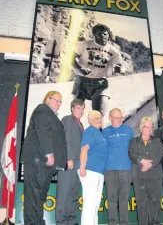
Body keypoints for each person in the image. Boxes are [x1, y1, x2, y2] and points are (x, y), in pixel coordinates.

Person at [21, 91, 67, 225]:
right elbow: (42, 132)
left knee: (40, 196)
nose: (58, 103)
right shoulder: (42, 110)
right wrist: (49, 153)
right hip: (39, 160)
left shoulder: (51, 115)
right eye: (55, 100)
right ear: (47, 99)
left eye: (60, 101)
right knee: (33, 196)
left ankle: (38, 222)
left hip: (44, 163)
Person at [72, 24, 122, 117]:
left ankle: (96, 131)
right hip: (82, 80)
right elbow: (71, 58)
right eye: (99, 34)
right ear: (94, 35)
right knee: (76, 113)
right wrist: (79, 68)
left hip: (100, 83)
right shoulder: (85, 44)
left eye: (105, 34)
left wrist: (117, 69)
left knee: (98, 115)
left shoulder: (114, 51)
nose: (103, 36)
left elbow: (118, 66)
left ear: (109, 35)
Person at [129, 117, 163, 225]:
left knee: (155, 201)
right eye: (146, 126)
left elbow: (160, 154)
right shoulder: (134, 141)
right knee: (141, 203)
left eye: (150, 127)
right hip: (139, 176)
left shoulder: (157, 141)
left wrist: (150, 165)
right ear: (141, 128)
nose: (149, 129)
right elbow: (132, 154)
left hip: (155, 176)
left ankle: (155, 222)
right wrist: (141, 161)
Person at [102, 108, 134, 225]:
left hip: (126, 170)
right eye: (116, 118)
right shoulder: (104, 132)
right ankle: (112, 222)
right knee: (111, 199)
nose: (118, 120)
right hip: (109, 171)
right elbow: (101, 151)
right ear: (110, 118)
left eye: (120, 117)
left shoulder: (128, 130)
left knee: (124, 199)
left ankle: (124, 222)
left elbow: (133, 149)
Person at [56, 99, 85, 225]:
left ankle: (71, 221)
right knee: (64, 194)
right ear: (72, 108)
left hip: (77, 164)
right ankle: (61, 222)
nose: (81, 111)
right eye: (78, 108)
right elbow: (65, 140)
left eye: (82, 108)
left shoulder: (80, 124)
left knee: (73, 193)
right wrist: (68, 159)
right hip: (69, 163)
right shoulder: (68, 119)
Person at [78, 110, 108, 225]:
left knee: (95, 203)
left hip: (99, 172)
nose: (99, 120)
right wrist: (82, 168)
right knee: (90, 203)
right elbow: (84, 149)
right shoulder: (90, 131)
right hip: (90, 171)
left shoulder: (99, 133)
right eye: (96, 118)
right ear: (90, 120)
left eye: (100, 118)